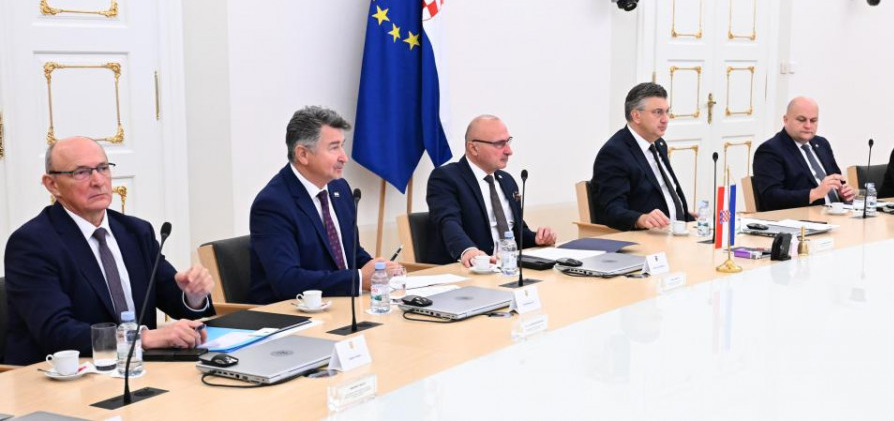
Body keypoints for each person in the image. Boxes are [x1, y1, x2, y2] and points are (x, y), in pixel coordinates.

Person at [4, 137, 214, 365]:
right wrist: (142, 338)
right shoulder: (32, 244)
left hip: (138, 370)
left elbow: (173, 299)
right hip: (61, 375)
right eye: (81, 172)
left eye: (103, 168)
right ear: (52, 184)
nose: (98, 181)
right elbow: (57, 333)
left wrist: (193, 296)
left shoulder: (136, 231)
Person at [248, 106, 397, 305]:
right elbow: (287, 281)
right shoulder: (272, 205)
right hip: (291, 313)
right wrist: (359, 278)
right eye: (334, 148)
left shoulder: (339, 188)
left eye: (342, 146)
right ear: (303, 154)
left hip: (340, 306)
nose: (344, 157)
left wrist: (377, 269)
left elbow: (350, 252)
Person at [426, 115, 557, 266]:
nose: (509, 151)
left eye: (508, 142)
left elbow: (516, 232)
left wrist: (538, 238)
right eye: (500, 144)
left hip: (510, 266)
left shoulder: (507, 181)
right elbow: (448, 222)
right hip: (474, 268)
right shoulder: (446, 178)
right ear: (473, 148)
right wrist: (468, 250)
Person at [591, 82, 694, 230]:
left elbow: (664, 193)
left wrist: (686, 217)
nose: (665, 119)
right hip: (644, 237)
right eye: (658, 112)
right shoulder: (614, 153)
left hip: (674, 230)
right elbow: (610, 209)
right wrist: (640, 219)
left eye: (667, 111)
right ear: (636, 116)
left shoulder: (659, 144)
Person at [752, 96, 855, 211]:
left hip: (838, 213)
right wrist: (814, 194)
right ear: (786, 120)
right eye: (801, 120)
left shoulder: (822, 143)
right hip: (803, 218)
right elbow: (771, 197)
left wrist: (843, 193)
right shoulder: (770, 150)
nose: (808, 126)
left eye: (813, 120)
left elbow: (837, 181)